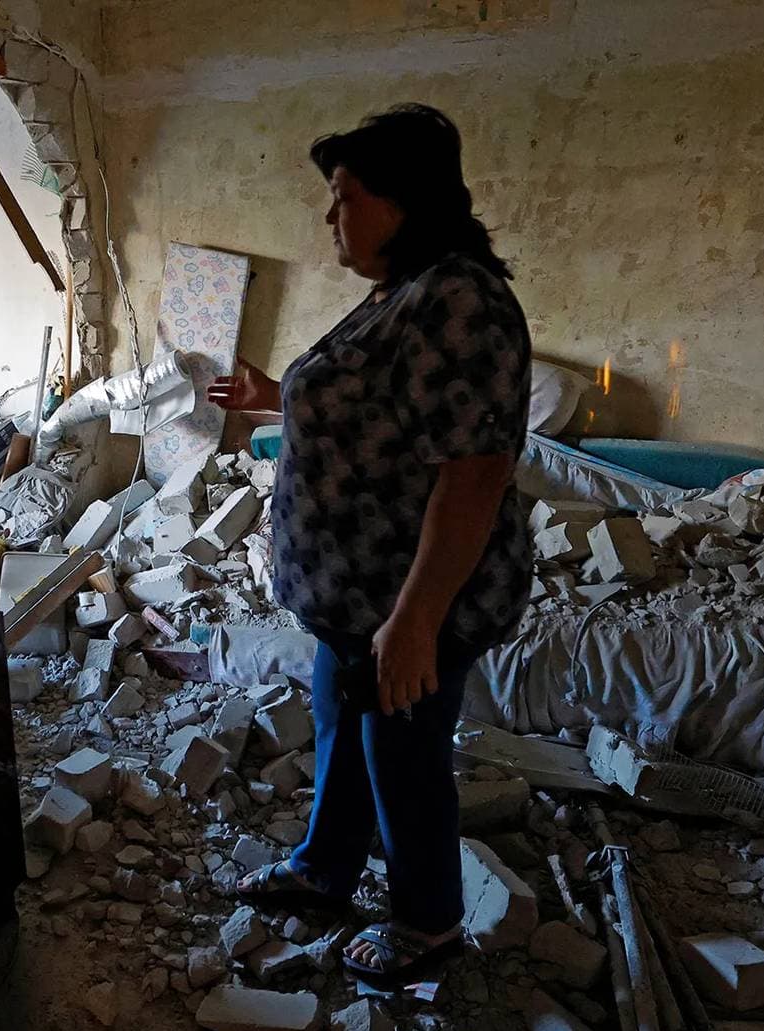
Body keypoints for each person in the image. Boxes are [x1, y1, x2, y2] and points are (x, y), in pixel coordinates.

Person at [208, 104, 532, 984]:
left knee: (403, 757)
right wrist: (277, 395)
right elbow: (375, 410)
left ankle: (429, 922)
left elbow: (475, 473)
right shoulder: (402, 292)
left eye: (345, 196)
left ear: (403, 200)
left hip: (405, 598)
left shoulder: (460, 302)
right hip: (353, 599)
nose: (330, 215)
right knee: (342, 731)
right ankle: (325, 868)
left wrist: (416, 620)